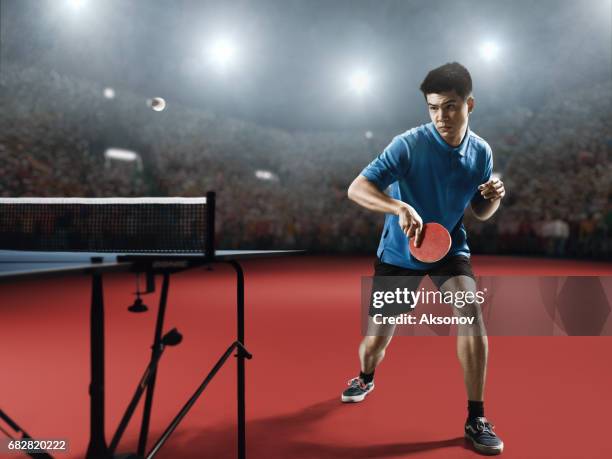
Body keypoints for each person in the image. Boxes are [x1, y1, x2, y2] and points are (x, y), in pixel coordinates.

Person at [342, 62, 505, 455]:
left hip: (449, 249)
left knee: (471, 314)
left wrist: (493, 199)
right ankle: (366, 375)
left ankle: (476, 417)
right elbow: (356, 188)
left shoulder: (481, 152)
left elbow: (478, 212)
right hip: (400, 253)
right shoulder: (408, 144)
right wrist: (397, 206)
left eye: (450, 106)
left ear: (470, 103)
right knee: (375, 344)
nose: (441, 116)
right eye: (433, 107)